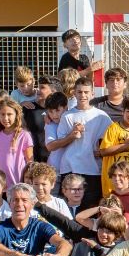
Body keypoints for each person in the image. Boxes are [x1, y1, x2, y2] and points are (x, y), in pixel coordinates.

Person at [55, 78, 111, 208]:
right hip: (70, 168)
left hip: (93, 170)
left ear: (93, 94)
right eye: (79, 92)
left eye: (86, 92)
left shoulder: (101, 116)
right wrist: (72, 135)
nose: (83, 95)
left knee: (90, 209)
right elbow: (61, 142)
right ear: (74, 93)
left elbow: (111, 139)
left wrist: (101, 151)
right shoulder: (67, 116)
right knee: (70, 210)